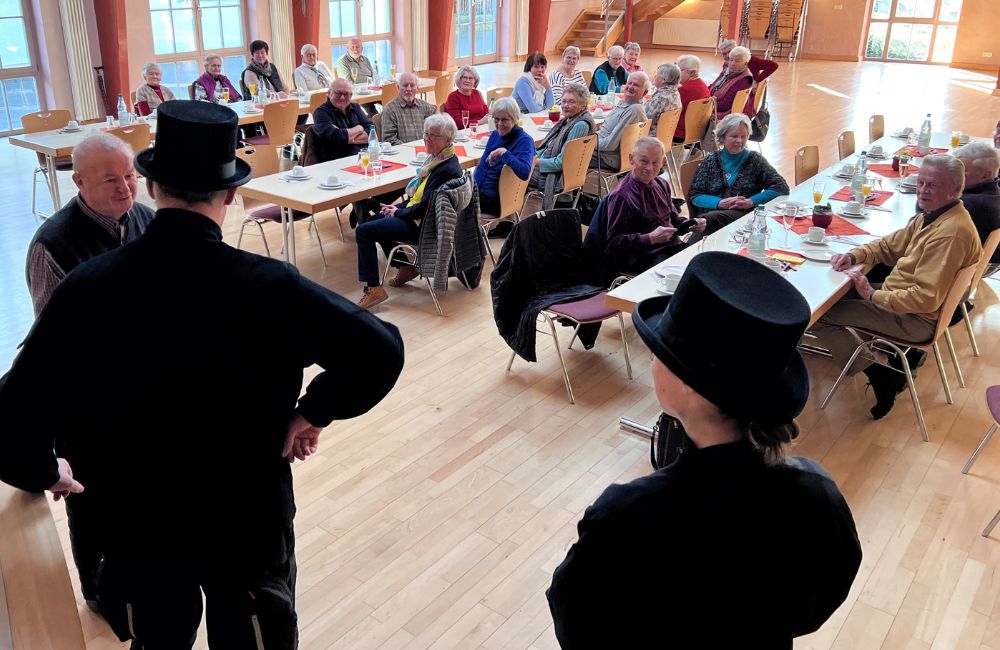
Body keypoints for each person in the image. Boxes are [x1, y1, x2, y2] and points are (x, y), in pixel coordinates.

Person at [0, 100, 405, 648]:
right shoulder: (270, 286)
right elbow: (380, 350)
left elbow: (15, 407)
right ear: (232, 195)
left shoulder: (87, 288)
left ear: (149, 187)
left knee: (159, 636)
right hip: (246, 518)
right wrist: (314, 410)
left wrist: (43, 468)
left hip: (140, 524)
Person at [547, 251, 862, 648]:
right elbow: (823, 596)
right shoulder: (816, 493)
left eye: (659, 352)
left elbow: (576, 622)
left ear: (689, 386)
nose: (653, 361)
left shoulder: (627, 516)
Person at [812, 154, 982, 420]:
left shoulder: (951, 233)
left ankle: (881, 375)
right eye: (921, 182)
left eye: (932, 185)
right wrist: (856, 255)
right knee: (833, 297)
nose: (922, 190)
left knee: (818, 315)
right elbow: (889, 246)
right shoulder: (934, 216)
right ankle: (877, 364)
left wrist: (874, 295)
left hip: (916, 319)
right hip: (902, 300)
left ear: (955, 190)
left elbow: (925, 299)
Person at [27, 133, 156, 317]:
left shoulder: (147, 219)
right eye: (111, 180)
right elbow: (51, 333)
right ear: (80, 181)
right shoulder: (51, 247)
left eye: (129, 175)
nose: (125, 188)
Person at [355, 113, 463, 309]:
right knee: (368, 224)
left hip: (423, 225)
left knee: (363, 232)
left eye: (433, 136)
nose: (427, 139)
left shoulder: (446, 168)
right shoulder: (438, 159)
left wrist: (397, 212)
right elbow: (418, 199)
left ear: (448, 140)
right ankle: (405, 266)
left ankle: (374, 289)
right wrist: (396, 208)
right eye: (426, 134)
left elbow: (423, 208)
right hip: (418, 216)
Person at [604, 137, 705, 274]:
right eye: (644, 161)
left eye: (655, 162)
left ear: (663, 162)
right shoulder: (622, 196)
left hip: (672, 247)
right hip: (645, 257)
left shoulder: (662, 184)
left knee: (707, 267)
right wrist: (649, 238)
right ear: (631, 159)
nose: (649, 168)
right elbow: (614, 242)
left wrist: (689, 224)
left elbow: (673, 219)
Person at [687, 113, 788, 234]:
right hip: (710, 218)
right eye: (734, 136)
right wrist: (719, 203)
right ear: (723, 137)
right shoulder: (710, 160)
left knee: (709, 221)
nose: (739, 141)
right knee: (709, 221)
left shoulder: (755, 160)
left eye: (743, 136)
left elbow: (781, 187)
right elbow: (695, 195)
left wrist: (751, 201)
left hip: (741, 219)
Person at [529, 82, 595, 209]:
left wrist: (535, 162)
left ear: (583, 105)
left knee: (512, 172)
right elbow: (549, 148)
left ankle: (508, 220)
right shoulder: (570, 120)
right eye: (563, 101)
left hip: (558, 177)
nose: (565, 105)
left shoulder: (580, 125)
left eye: (571, 102)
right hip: (557, 170)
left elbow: (561, 162)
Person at [474, 97, 536, 216]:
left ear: (515, 119)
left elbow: (524, 173)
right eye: (496, 119)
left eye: (505, 120)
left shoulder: (525, 141)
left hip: (499, 199)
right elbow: (482, 166)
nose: (499, 124)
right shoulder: (494, 135)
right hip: (484, 195)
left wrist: (505, 153)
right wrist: (473, 191)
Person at [955, 142, 1000, 278]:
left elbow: (921, 216)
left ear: (985, 175)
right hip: (988, 264)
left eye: (962, 171)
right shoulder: (994, 194)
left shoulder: (967, 205)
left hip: (963, 272)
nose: (954, 176)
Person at [590, 71, 648, 171]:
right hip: (601, 148)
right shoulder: (625, 103)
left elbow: (610, 144)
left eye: (636, 85)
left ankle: (568, 185)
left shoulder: (634, 110)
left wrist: (588, 143)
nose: (630, 87)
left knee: (568, 155)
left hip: (607, 157)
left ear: (645, 92)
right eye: (629, 83)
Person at [312, 78, 373, 162]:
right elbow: (335, 137)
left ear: (351, 95)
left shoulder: (355, 107)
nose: (342, 97)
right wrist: (359, 129)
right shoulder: (321, 113)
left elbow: (372, 130)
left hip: (362, 158)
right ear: (329, 93)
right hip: (336, 162)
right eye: (338, 93)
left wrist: (348, 139)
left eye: (346, 94)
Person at [380, 71, 437, 145]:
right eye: (405, 85)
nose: (409, 89)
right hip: (402, 152)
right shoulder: (390, 110)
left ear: (417, 88)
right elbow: (389, 140)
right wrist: (410, 148)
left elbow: (438, 123)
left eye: (412, 85)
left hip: (424, 150)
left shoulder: (425, 106)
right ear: (398, 88)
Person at [674, 54, 710, 143]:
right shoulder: (702, 85)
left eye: (680, 70)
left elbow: (670, 112)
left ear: (692, 73)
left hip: (680, 132)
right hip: (697, 131)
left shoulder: (685, 89)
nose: (677, 73)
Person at [710, 45, 753, 118]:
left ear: (745, 63)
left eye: (737, 61)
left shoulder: (744, 80)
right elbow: (713, 85)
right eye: (731, 60)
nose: (732, 63)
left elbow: (726, 105)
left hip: (725, 113)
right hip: (713, 102)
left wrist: (707, 106)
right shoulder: (727, 71)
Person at [714, 38, 779, 86]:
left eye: (730, 51)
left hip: (744, 92)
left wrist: (756, 80)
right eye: (724, 54)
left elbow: (773, 65)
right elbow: (720, 78)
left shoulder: (750, 59)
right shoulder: (726, 64)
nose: (728, 55)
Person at [644, 63, 681, 138]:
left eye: (656, 74)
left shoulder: (662, 98)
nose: (654, 76)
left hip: (652, 136)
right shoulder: (675, 92)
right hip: (666, 135)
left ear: (663, 80)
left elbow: (644, 119)